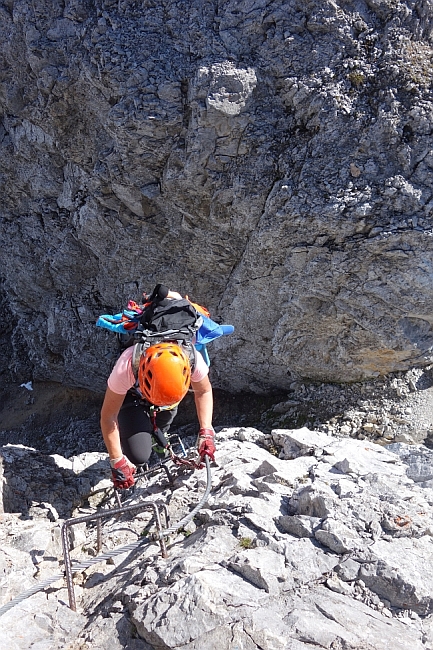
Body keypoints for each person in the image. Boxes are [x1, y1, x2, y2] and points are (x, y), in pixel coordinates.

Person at [100, 290, 216, 490]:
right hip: (133, 396)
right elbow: (108, 416)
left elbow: (203, 391)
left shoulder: (191, 358)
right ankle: (145, 442)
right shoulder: (128, 364)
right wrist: (117, 460)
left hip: (169, 396)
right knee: (138, 456)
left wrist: (206, 431)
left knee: (163, 425)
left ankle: (159, 437)